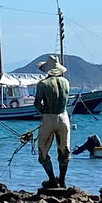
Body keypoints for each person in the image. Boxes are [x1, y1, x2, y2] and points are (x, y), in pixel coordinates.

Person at [33, 54, 71, 188]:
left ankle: (52, 180)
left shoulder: (42, 84)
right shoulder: (66, 82)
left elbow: (37, 104)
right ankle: (62, 181)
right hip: (63, 117)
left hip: (49, 117)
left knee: (43, 151)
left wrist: (43, 110)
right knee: (64, 150)